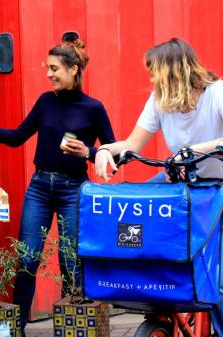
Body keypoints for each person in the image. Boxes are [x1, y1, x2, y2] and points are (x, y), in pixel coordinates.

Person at [0, 38, 115, 336]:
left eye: (54, 68)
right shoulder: (45, 101)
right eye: (47, 68)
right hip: (40, 186)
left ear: (73, 69)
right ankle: (17, 328)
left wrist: (88, 152)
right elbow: (18, 136)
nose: (49, 74)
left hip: (73, 189)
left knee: (70, 260)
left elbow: (115, 152)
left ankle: (72, 328)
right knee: (27, 257)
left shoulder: (94, 108)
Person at [94, 37, 223, 336]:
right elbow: (131, 144)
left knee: (216, 276)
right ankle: (153, 287)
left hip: (217, 186)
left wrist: (193, 150)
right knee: (136, 207)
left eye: (154, 71)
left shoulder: (216, 94)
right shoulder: (158, 100)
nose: (151, 78)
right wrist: (103, 151)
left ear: (172, 71)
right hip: (183, 184)